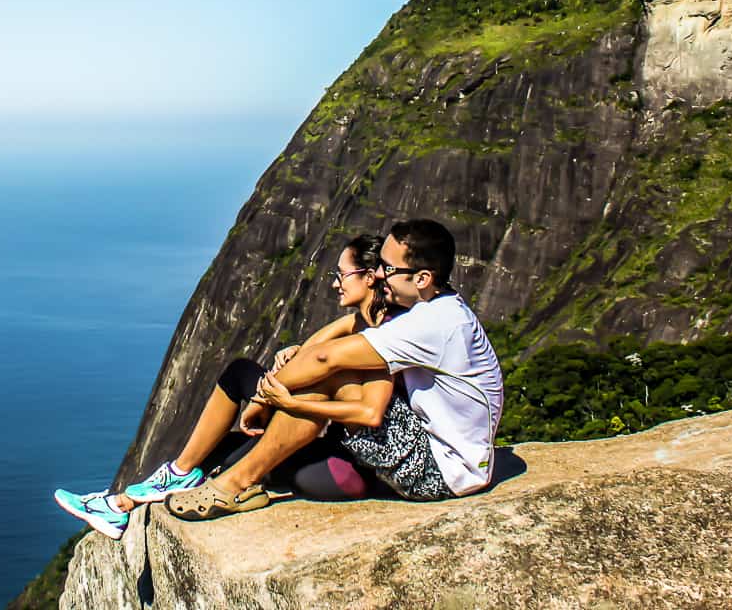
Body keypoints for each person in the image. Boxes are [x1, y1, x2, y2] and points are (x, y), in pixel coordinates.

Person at [52, 234, 401, 539]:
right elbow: (312, 351)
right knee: (230, 436)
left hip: (345, 470)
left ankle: (171, 480)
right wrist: (290, 355)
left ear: (370, 278)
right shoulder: (359, 321)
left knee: (242, 379)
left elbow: (331, 376)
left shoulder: (384, 337)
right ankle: (122, 503)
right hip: (334, 458)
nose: (335, 283)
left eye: (341, 275)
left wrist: (269, 396)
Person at [166, 218, 504, 520]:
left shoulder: (429, 324)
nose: (380, 274)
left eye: (388, 268)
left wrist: (265, 399)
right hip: (451, 461)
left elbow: (327, 360)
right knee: (330, 369)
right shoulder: (443, 310)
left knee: (337, 371)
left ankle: (235, 484)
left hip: (438, 472)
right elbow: (339, 335)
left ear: (422, 278)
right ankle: (234, 474)